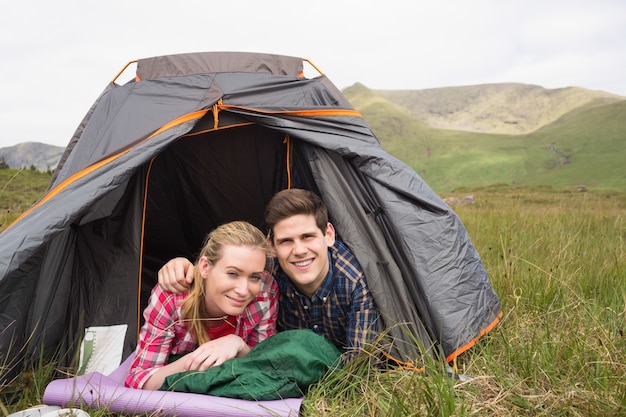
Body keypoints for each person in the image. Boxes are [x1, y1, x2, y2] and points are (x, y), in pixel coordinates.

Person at [159, 189, 378, 361]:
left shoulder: (355, 282)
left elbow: (361, 366)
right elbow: (225, 266)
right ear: (271, 246)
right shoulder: (264, 270)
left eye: (307, 237)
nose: (299, 250)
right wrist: (184, 266)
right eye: (286, 241)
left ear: (328, 235)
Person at [125, 221, 279, 390]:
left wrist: (237, 345)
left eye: (254, 277)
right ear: (205, 267)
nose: (243, 290)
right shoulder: (172, 297)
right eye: (232, 274)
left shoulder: (265, 291)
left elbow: (264, 364)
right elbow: (140, 379)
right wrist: (199, 359)